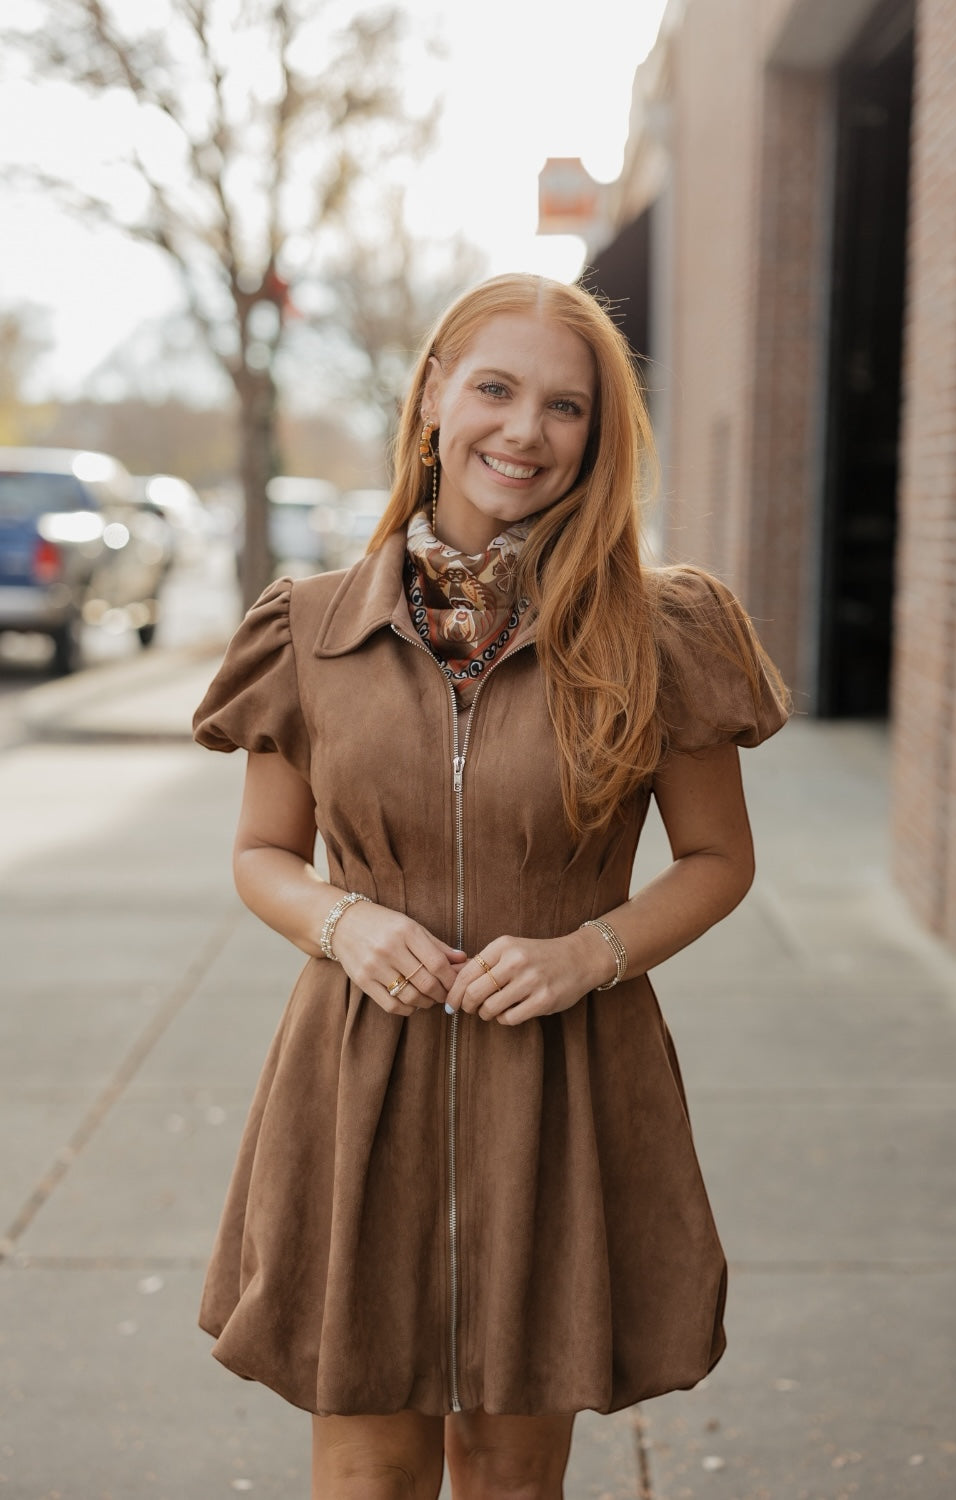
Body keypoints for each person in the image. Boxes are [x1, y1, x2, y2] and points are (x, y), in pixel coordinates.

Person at [192, 271, 790, 1499]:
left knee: (513, 1474)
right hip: (357, 1082)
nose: (525, 431)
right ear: (432, 397)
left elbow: (719, 861)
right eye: (495, 390)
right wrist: (345, 923)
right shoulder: (308, 629)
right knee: (367, 1473)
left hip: (565, 1084)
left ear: (598, 436)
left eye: (565, 407)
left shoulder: (661, 631)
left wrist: (589, 952)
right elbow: (262, 855)